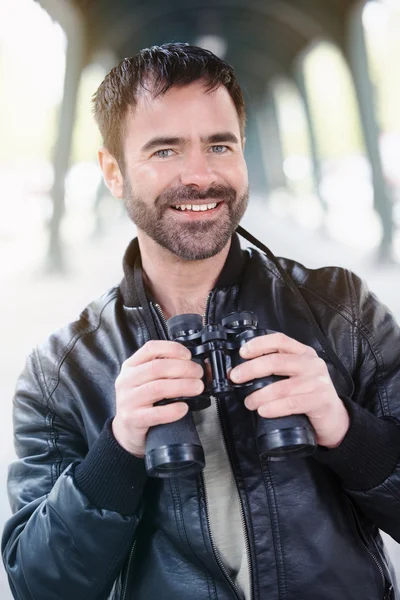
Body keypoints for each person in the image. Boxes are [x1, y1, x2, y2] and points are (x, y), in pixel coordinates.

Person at [2, 42, 400, 600]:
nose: (200, 175)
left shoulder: (342, 310)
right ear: (113, 172)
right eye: (164, 151)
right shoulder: (60, 372)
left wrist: (345, 428)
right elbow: (40, 583)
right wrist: (118, 450)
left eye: (219, 145)